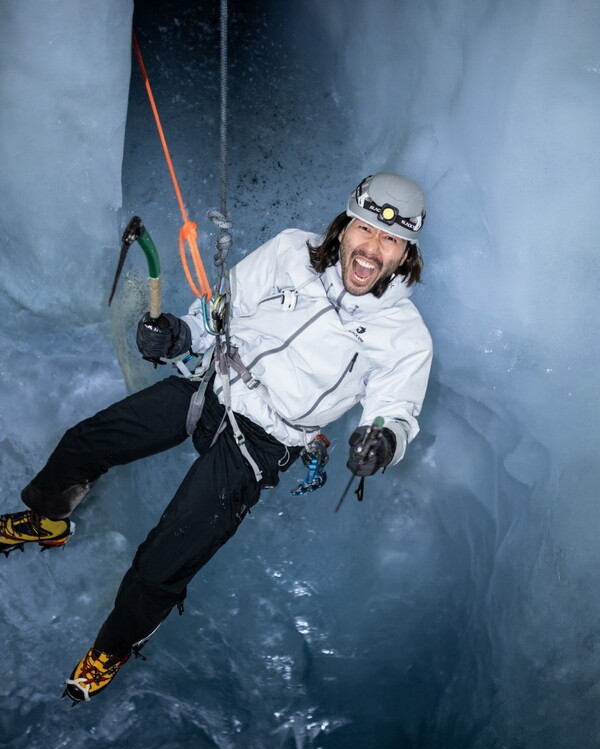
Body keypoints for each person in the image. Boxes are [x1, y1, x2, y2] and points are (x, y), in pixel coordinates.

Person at [0, 172, 432, 703]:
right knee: (87, 442)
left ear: (405, 251)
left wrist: (382, 441)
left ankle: (113, 646)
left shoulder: (405, 337)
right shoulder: (291, 251)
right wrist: (181, 334)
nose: (372, 248)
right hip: (211, 385)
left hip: (263, 441)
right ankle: (47, 520)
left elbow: (396, 410)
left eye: (390, 240)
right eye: (365, 229)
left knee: (165, 559)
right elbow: (223, 309)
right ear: (344, 228)